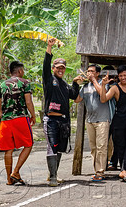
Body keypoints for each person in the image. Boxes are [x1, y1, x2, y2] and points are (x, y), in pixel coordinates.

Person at [43, 38, 81, 187]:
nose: (61, 69)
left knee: (59, 148)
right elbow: (45, 66)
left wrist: (76, 83)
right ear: (53, 68)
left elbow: (73, 95)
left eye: (63, 67)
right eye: (58, 67)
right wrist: (49, 47)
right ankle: (52, 178)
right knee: (52, 147)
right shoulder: (48, 79)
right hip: (51, 120)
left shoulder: (65, 84)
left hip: (63, 121)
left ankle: (53, 174)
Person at [0, 61, 36, 185]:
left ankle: (9, 179)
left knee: (8, 150)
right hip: (20, 118)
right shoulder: (24, 83)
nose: (23, 73)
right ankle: (16, 172)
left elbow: (0, 107)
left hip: (6, 120)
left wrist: (2, 117)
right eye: (23, 71)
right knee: (28, 144)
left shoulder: (2, 85)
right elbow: (28, 102)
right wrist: (33, 115)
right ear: (19, 71)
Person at [100, 65, 126, 183]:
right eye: (121, 75)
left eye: (125, 75)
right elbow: (103, 99)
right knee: (120, 146)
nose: (123, 78)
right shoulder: (115, 88)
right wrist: (102, 85)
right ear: (118, 76)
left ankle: (124, 169)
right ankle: (124, 170)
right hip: (119, 121)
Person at [74, 64, 112, 182]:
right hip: (90, 121)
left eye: (91, 71)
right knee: (94, 147)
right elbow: (77, 100)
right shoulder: (85, 87)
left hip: (102, 120)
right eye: (88, 71)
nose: (89, 73)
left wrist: (94, 81)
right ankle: (96, 170)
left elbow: (103, 94)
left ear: (97, 73)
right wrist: (75, 83)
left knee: (101, 146)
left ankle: (100, 171)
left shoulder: (104, 83)